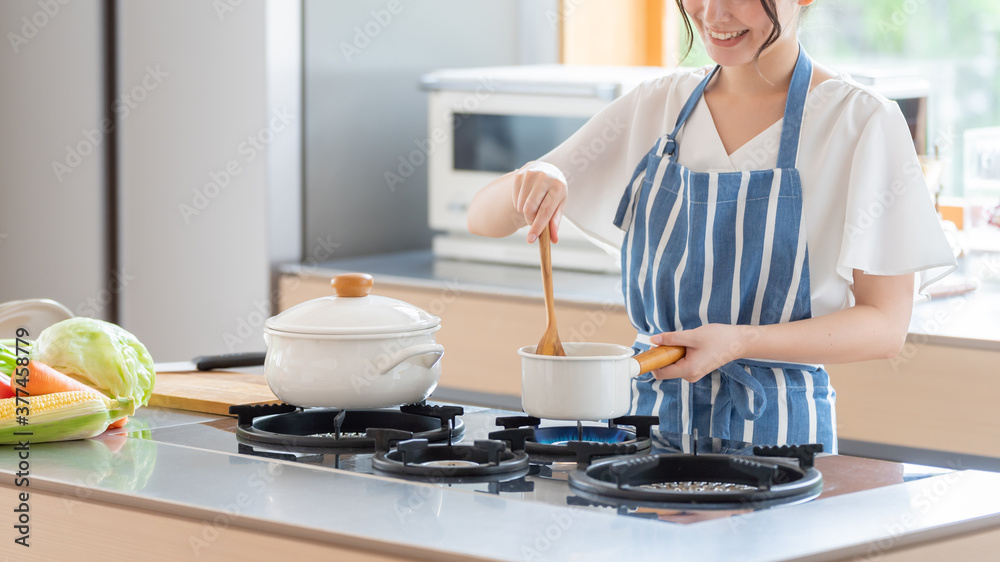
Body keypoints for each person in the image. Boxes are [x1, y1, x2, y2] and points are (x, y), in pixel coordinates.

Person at [466, 0, 956, 452]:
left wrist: (742, 341)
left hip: (777, 435)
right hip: (646, 426)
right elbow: (482, 217)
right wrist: (531, 182)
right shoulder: (657, 105)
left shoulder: (859, 121)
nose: (714, 13)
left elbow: (885, 327)